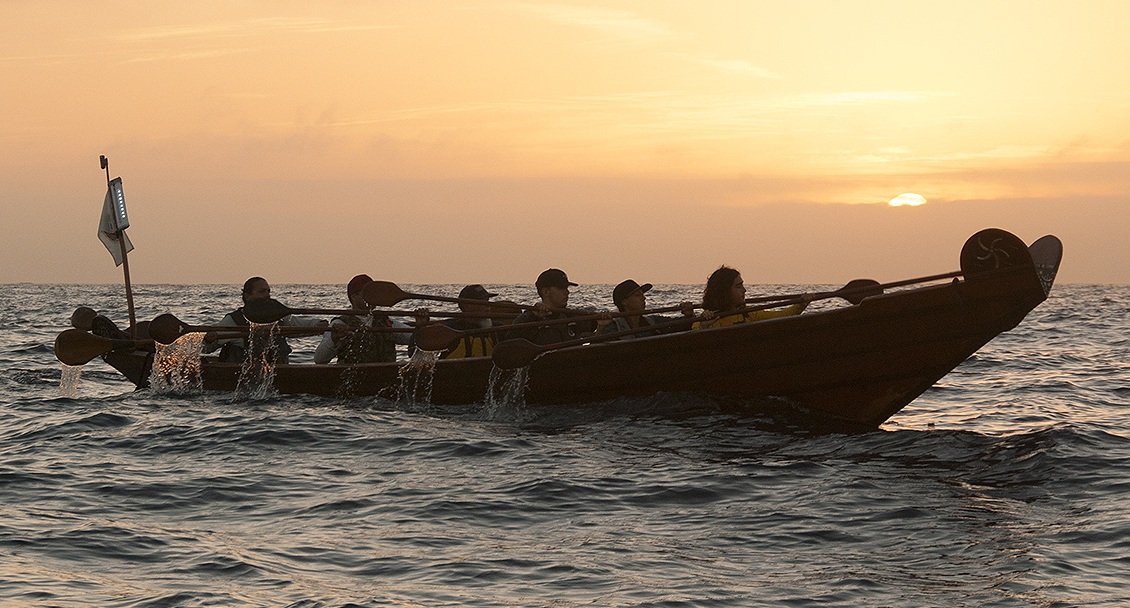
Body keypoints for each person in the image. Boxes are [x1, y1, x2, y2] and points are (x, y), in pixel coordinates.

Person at [202, 276, 326, 364]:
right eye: (262, 291)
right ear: (247, 296)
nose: (267, 295)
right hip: (244, 381)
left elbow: (306, 325)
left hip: (278, 373)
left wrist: (320, 325)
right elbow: (206, 348)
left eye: (268, 291)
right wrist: (208, 339)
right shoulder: (234, 321)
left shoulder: (280, 317)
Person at [313, 274, 426, 364]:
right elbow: (319, 359)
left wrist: (420, 327)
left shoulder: (387, 322)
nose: (373, 297)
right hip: (353, 382)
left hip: (384, 380)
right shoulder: (339, 323)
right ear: (354, 296)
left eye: (374, 293)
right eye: (366, 294)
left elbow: (414, 340)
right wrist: (334, 339)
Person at [506, 269, 610, 345]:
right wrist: (534, 318)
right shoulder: (528, 319)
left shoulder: (572, 316)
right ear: (546, 292)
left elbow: (594, 330)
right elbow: (509, 343)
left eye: (567, 288)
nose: (567, 292)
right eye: (561, 288)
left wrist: (601, 326)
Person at [692, 266, 811, 330]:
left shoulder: (749, 314)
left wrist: (801, 304)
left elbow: (781, 316)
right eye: (738, 286)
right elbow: (694, 333)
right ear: (725, 292)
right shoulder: (708, 318)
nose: (744, 290)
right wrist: (704, 326)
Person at [601, 279, 695, 339]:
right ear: (624, 302)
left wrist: (689, 314)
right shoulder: (614, 326)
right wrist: (600, 327)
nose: (643, 298)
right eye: (637, 295)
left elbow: (680, 325)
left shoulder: (652, 321)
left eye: (643, 295)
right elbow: (597, 349)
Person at [437, 284, 505, 359]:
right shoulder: (452, 328)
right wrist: (421, 323)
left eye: (487, 301)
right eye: (482, 302)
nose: (488, 306)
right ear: (467, 306)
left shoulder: (498, 329)